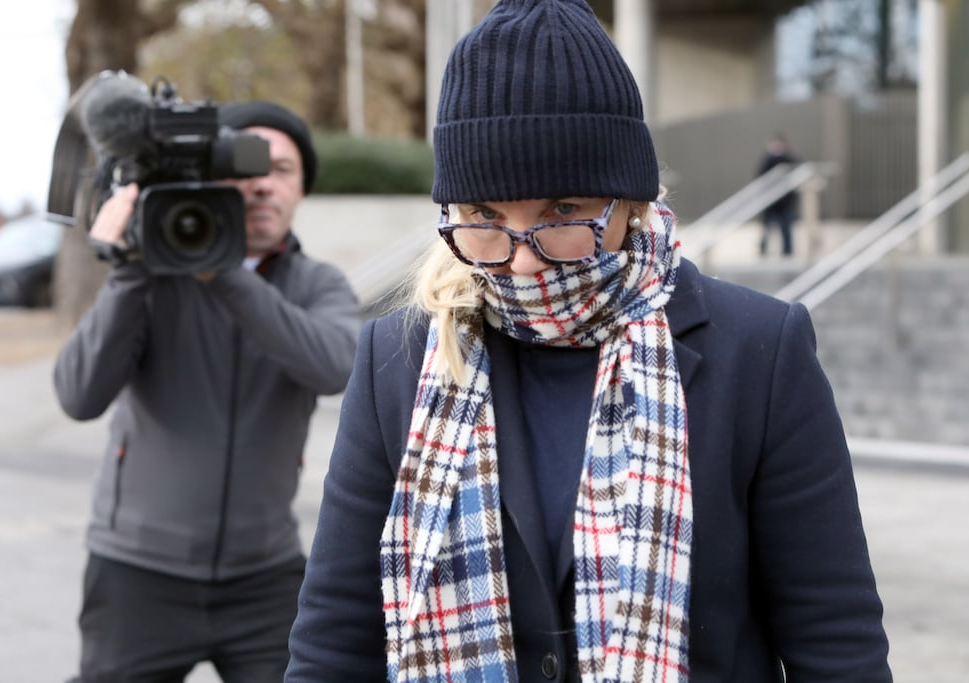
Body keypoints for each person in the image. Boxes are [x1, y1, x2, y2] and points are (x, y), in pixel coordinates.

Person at [284, 1, 892, 681]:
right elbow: (336, 638)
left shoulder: (759, 350)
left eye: (562, 212)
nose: (521, 261)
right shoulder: (398, 359)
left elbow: (835, 639)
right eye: (485, 216)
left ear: (629, 200)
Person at [54, 100, 361, 682]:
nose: (263, 185)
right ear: (215, 177)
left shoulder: (318, 284)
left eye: (283, 170)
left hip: (265, 574)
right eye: (247, 167)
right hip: (138, 572)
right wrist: (129, 270)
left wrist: (222, 271)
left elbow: (334, 368)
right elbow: (77, 395)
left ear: (302, 189)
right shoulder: (148, 279)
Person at [755, 132, 800, 257]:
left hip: (785, 204)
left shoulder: (789, 159)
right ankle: (763, 251)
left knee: (786, 230)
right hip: (770, 202)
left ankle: (787, 253)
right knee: (766, 230)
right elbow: (760, 177)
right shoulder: (767, 160)